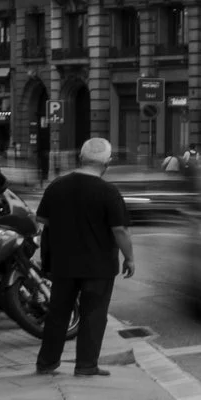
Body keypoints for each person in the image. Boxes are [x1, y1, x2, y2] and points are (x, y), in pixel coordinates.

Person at [33, 137, 133, 378]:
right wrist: (129, 258)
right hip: (98, 266)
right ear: (106, 163)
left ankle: (47, 362)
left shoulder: (57, 186)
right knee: (94, 314)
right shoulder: (108, 192)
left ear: (80, 158)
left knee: (58, 313)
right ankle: (86, 365)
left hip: (63, 263)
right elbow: (119, 230)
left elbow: (42, 221)